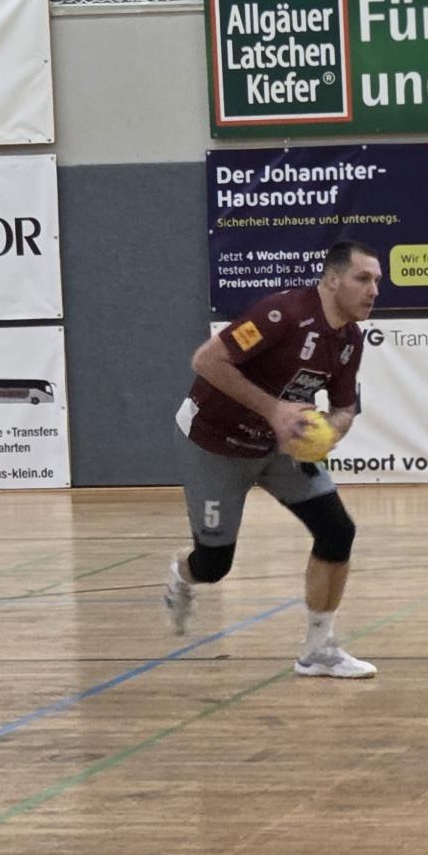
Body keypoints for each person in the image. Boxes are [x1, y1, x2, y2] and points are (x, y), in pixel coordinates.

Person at [162, 241, 381, 680]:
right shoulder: (283, 314)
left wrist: (331, 431)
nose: (373, 290)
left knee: (337, 531)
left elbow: (344, 408)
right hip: (214, 445)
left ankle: (318, 650)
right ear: (332, 280)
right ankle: (182, 575)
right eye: (363, 278)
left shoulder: (348, 340)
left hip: (279, 448)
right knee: (214, 565)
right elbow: (206, 360)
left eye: (377, 281)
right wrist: (275, 410)